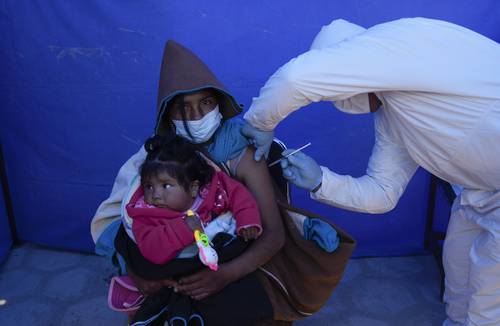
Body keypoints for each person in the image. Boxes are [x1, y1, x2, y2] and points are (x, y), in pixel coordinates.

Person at [241, 18, 500, 326]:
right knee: (458, 283)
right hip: (478, 193)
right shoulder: (393, 112)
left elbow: (295, 79)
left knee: (487, 303)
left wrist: (259, 122)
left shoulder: (402, 42)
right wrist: (321, 181)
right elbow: (383, 193)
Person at [92, 40, 355, 325]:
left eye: (205, 103)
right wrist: (138, 271)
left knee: (230, 308)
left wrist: (223, 276)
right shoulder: (153, 156)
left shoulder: (241, 153)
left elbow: (273, 235)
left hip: (235, 262)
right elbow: (117, 219)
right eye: (183, 108)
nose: (195, 117)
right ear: (168, 115)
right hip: (171, 263)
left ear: (219, 104)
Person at [112, 134, 268, 325]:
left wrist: (247, 221)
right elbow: (151, 248)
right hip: (176, 271)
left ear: (194, 188)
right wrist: (185, 229)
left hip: (214, 263)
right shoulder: (145, 214)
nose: (155, 195)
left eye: (166, 185)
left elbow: (239, 195)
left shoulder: (213, 189)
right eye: (148, 186)